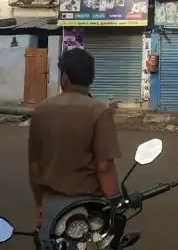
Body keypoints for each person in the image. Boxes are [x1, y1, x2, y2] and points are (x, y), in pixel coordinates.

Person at [28, 49, 121, 246]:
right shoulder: (99, 111)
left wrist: (39, 203)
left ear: (65, 77)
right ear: (91, 78)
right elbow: (104, 167)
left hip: (52, 203)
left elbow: (34, 166)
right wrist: (114, 207)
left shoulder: (41, 111)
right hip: (90, 207)